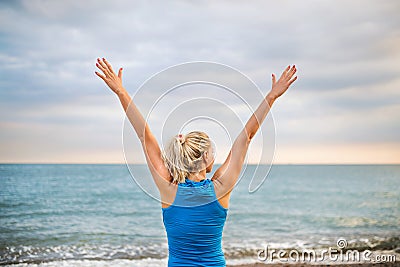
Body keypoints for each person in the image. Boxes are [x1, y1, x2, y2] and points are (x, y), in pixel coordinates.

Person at [95, 58, 297, 266]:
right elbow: (247, 136)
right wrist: (272, 96)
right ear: (206, 158)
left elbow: (144, 136)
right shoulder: (220, 188)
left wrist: (121, 92)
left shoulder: (169, 189)